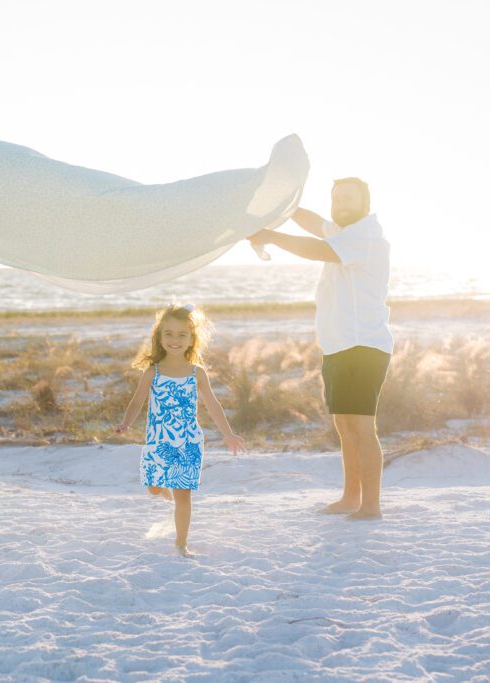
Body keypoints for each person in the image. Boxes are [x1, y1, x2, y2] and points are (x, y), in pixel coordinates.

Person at [249, 177, 393, 520]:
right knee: (345, 426)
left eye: (348, 197)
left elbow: (318, 249)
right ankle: (350, 497)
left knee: (361, 427)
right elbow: (316, 225)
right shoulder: (344, 232)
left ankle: (370, 506)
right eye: (336, 198)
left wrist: (271, 235)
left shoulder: (366, 235)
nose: (341, 203)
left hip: (363, 345)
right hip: (339, 345)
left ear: (365, 202)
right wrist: (288, 205)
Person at [116, 304, 246, 556]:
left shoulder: (196, 373)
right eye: (169, 334)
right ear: (159, 336)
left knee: (183, 494)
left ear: (191, 339)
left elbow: (213, 404)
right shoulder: (152, 372)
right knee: (154, 488)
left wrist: (228, 433)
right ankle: (161, 487)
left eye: (182, 334)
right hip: (158, 442)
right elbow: (137, 401)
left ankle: (181, 543)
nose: (175, 340)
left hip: (188, 443)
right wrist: (126, 422)